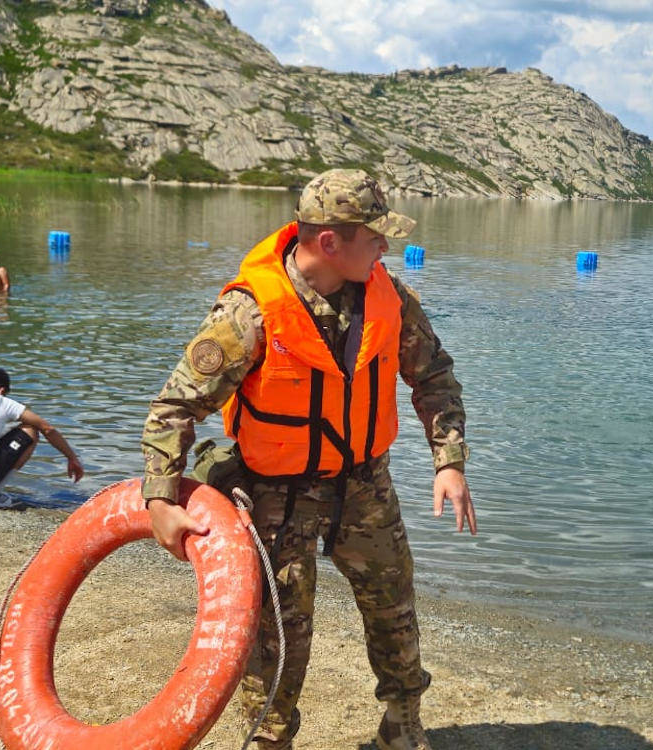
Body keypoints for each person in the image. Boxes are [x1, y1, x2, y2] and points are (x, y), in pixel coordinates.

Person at [141, 168, 476, 750]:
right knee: (278, 635)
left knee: (394, 609)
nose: (385, 246)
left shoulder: (390, 299)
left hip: (365, 486)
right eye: (374, 236)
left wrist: (448, 461)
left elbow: (435, 377)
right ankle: (270, 740)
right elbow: (174, 407)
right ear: (329, 242)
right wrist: (159, 497)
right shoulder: (249, 314)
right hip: (277, 496)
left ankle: (402, 727)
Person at [0, 367, 84, 505]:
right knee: (30, 429)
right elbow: (47, 428)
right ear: (1, 391)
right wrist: (72, 458)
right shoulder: (1, 402)